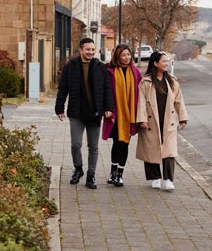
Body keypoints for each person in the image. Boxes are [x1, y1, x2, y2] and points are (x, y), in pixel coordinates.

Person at [55, 38, 114, 189]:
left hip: (95, 113)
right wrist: (59, 108)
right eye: (87, 49)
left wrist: (109, 108)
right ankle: (78, 169)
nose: (90, 52)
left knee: (93, 146)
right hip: (76, 113)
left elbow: (107, 89)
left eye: (93, 50)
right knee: (76, 144)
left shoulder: (100, 67)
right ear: (81, 50)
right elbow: (63, 88)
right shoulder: (71, 67)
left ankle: (91, 175)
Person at [136, 51, 188, 191]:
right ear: (155, 63)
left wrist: (182, 118)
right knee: (151, 149)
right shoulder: (145, 82)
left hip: (168, 119)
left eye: (167, 61)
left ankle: (169, 179)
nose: (166, 64)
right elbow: (141, 102)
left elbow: (178, 100)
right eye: (164, 61)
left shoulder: (172, 81)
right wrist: (141, 119)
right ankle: (155, 177)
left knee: (169, 151)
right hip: (151, 120)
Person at [101, 44, 142, 187]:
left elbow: (140, 93)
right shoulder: (109, 71)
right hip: (115, 114)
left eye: (128, 54)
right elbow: (106, 92)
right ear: (117, 56)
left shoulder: (136, 73)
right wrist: (107, 109)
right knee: (117, 143)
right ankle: (113, 172)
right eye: (123, 55)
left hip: (130, 114)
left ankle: (120, 174)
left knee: (125, 144)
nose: (127, 57)